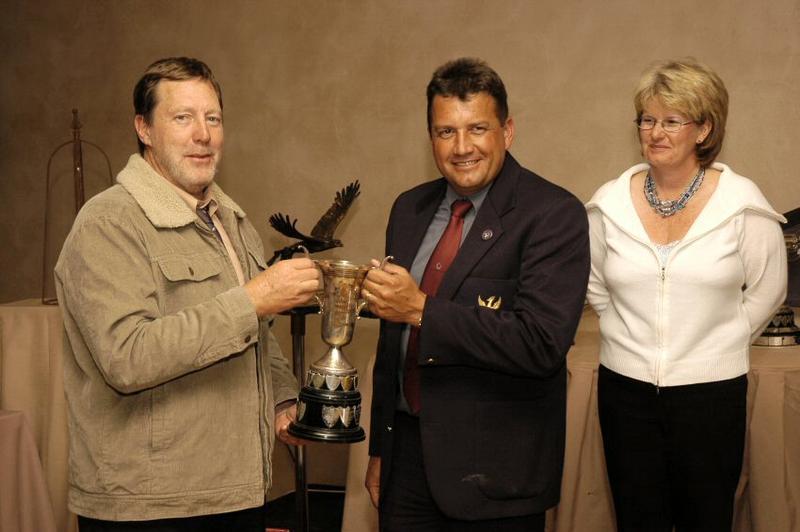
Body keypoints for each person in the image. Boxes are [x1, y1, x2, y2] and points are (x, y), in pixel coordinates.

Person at [54, 57, 319, 531]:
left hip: (235, 490)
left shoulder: (229, 221)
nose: (203, 134)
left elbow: (259, 335)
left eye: (213, 118)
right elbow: (126, 357)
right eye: (183, 118)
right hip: (150, 506)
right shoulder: (108, 223)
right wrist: (251, 300)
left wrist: (282, 400)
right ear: (144, 129)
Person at [361, 57, 590, 531]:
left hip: (496, 478)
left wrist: (422, 310)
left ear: (507, 131)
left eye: (477, 129)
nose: (462, 147)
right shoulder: (409, 209)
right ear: (430, 137)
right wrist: (381, 450)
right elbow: (391, 347)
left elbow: (541, 343)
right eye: (446, 132)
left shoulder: (553, 214)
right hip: (406, 466)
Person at [586, 59, 787, 532]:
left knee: (706, 520)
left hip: (711, 395)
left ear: (704, 129)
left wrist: (721, 340)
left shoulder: (742, 203)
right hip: (624, 392)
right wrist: (622, 333)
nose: (655, 132)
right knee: (637, 520)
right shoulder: (608, 203)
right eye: (647, 119)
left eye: (672, 121)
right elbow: (594, 282)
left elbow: (769, 289)